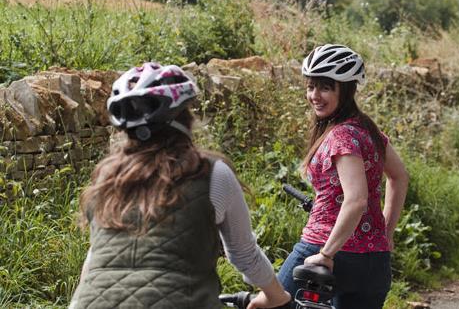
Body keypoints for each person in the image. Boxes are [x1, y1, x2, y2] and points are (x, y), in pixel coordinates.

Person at [70, 62, 290, 309]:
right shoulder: (209, 173)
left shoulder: (106, 178)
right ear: (185, 119)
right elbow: (244, 254)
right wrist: (276, 296)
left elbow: (94, 259)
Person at [278, 44, 410, 309]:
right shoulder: (368, 130)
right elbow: (399, 177)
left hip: (325, 248)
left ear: (347, 90)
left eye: (325, 87)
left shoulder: (341, 135)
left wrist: (326, 253)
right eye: (311, 86)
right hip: (374, 263)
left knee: (270, 303)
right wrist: (385, 233)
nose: (315, 95)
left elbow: (356, 199)